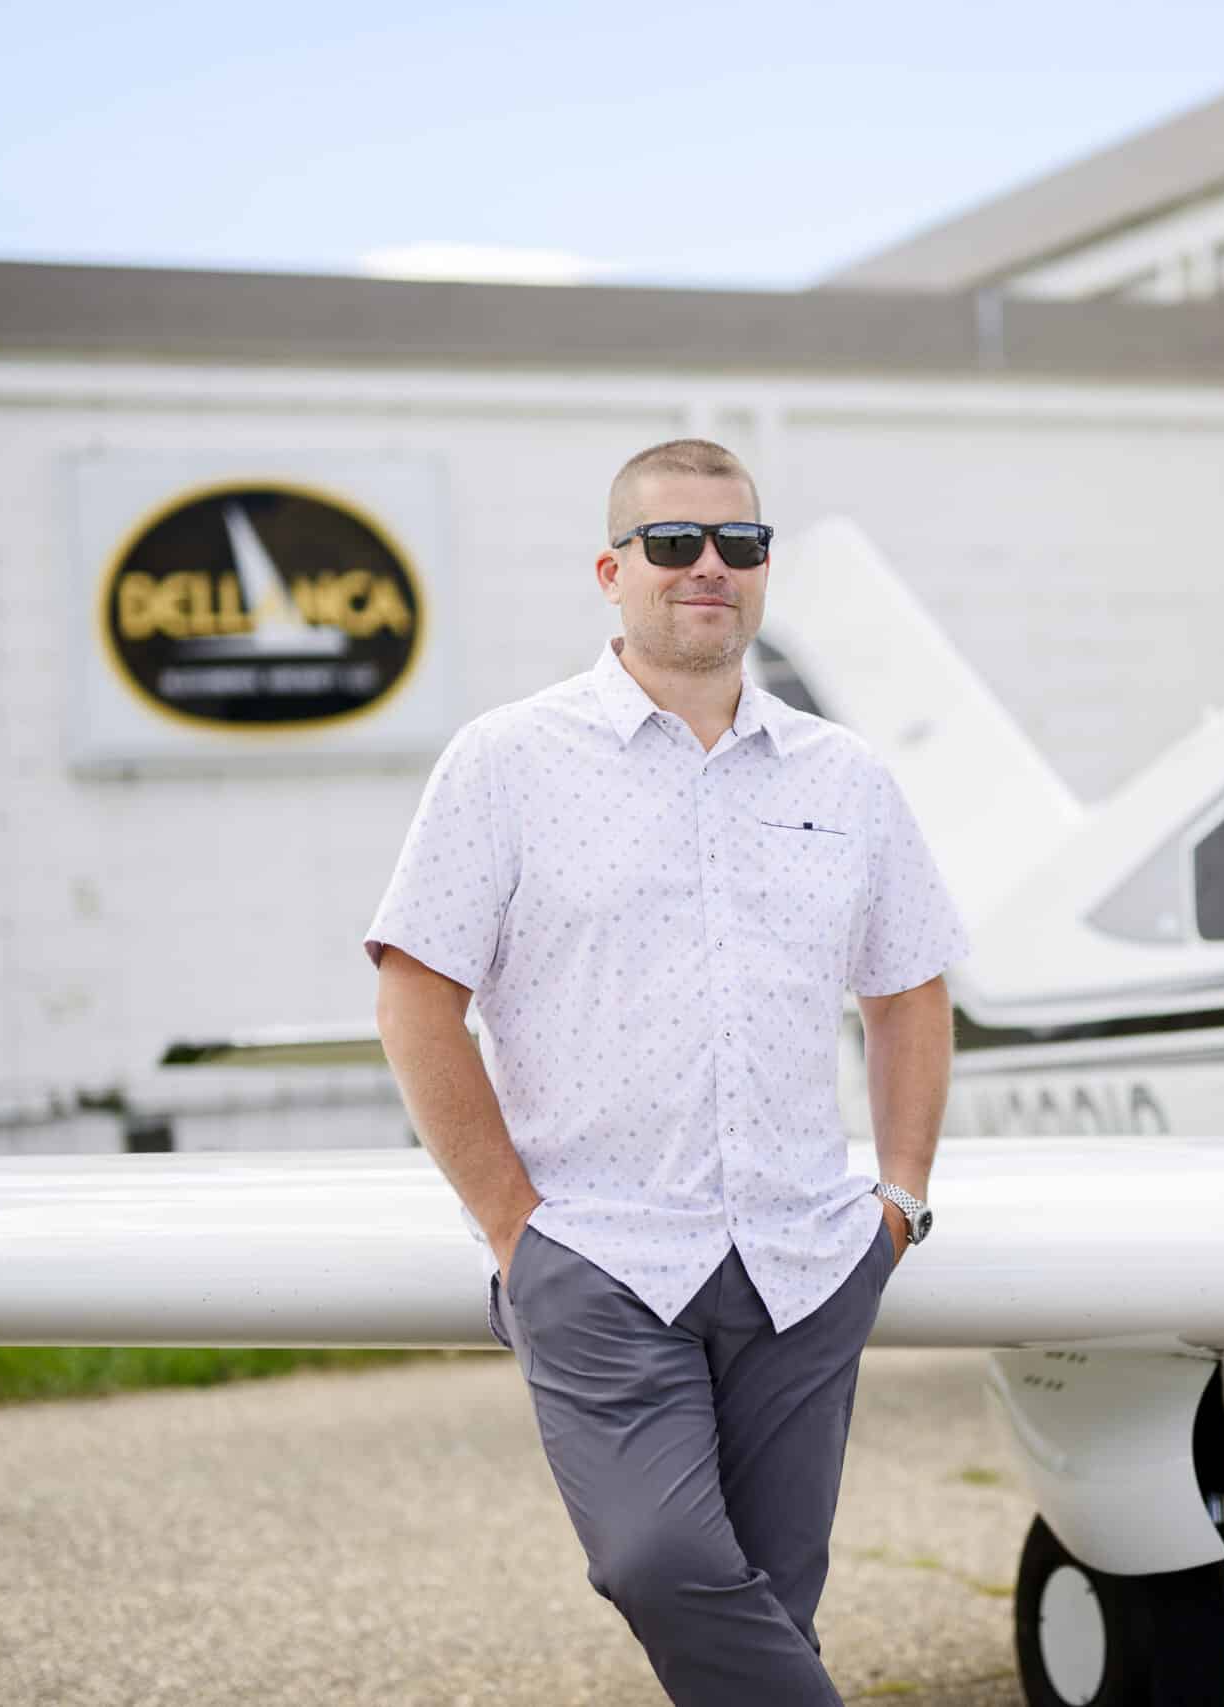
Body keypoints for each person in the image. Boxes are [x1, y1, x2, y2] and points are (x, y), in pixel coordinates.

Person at [363, 437, 966, 1705]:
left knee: (767, 1608)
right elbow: (417, 996)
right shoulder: (507, 760)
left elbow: (908, 988)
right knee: (660, 1561)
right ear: (611, 569)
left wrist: (900, 1201)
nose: (709, 568)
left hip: (804, 1266)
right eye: (674, 544)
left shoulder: (844, 778)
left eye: (739, 546)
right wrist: (516, 1232)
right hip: (595, 1255)